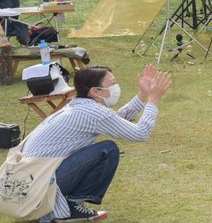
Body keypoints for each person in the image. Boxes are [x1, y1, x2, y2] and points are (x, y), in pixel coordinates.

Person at [20, 64, 171, 222]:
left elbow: (117, 120)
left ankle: (70, 204)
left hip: (27, 186)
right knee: (107, 150)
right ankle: (72, 205)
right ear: (95, 91)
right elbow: (141, 133)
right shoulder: (93, 113)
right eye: (112, 84)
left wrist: (143, 93)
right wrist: (153, 100)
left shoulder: (80, 106)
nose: (116, 87)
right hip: (37, 189)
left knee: (104, 149)